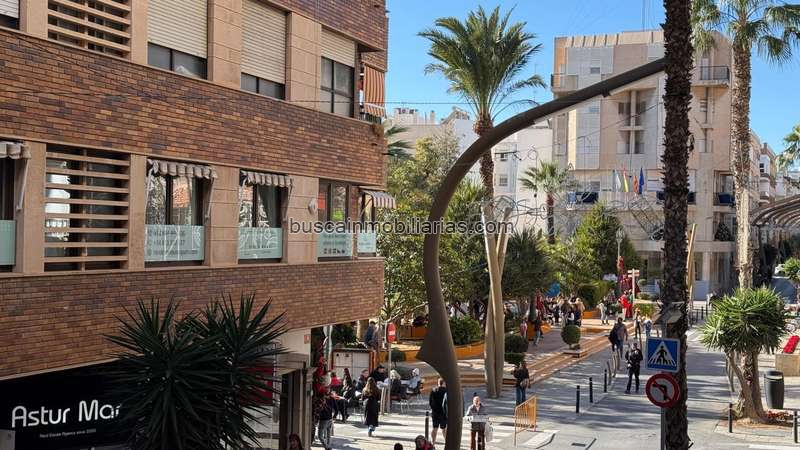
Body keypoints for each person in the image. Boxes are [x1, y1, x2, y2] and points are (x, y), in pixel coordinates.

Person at [429, 378, 448, 446]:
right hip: (443, 413)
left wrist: (433, 409)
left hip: (435, 412)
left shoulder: (433, 390)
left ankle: (433, 444)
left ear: (438, 383)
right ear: (444, 383)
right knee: (444, 429)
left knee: (435, 428)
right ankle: (447, 443)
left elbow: (430, 402)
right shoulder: (446, 391)